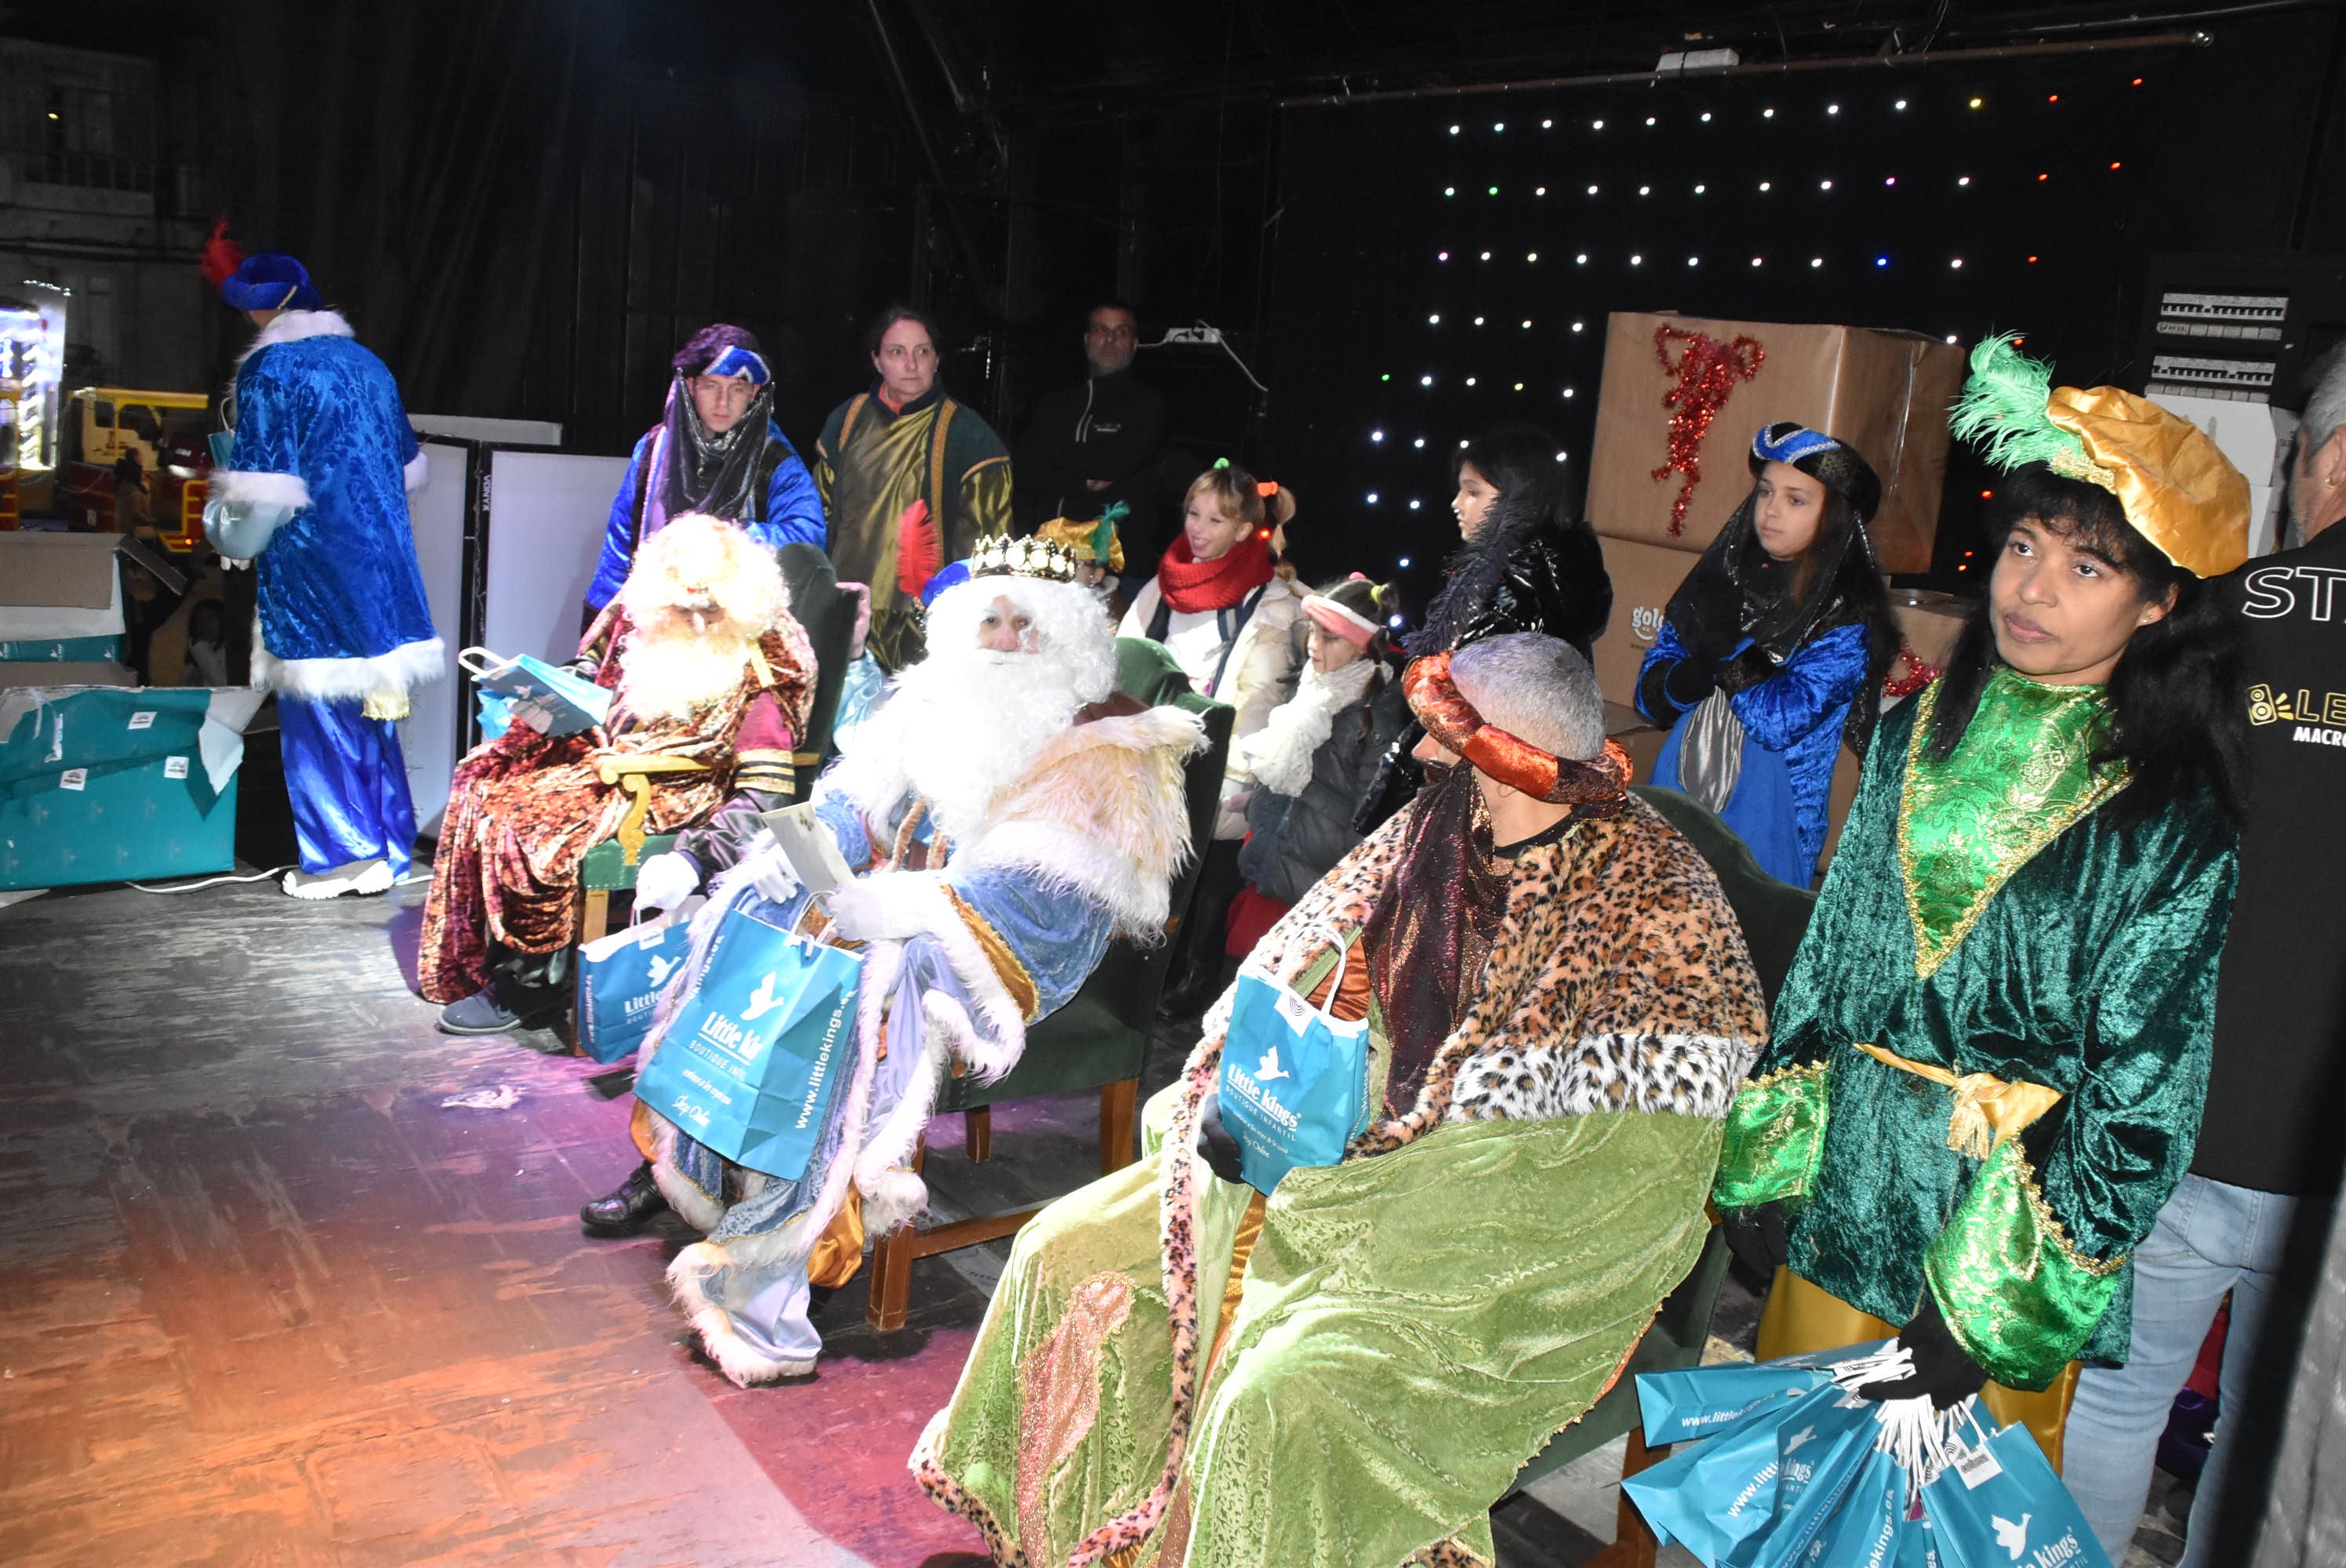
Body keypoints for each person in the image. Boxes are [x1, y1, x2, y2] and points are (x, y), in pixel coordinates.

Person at [913, 632, 1767, 1567]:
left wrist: (1349, 1185)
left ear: (1513, 752)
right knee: (1057, 1251)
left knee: (1280, 1395)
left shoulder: (1658, 903)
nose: (1426, 752)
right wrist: (1232, 1094)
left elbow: (1621, 1171)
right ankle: (1057, 1537)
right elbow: (1288, 971)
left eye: (1451, 735)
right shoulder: (1438, 820)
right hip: (1318, 1164)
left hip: (1488, 1245)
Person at [1710, 336, 2248, 1471]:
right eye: (2021, 547)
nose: (2030, 589)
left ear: (2159, 606)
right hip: (1849, 1187)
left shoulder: (2169, 813)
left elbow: (2145, 1093)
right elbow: (1834, 965)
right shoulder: (1916, 732)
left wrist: (1998, 1309)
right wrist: (1771, 1163)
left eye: (2087, 568)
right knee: (1790, 1489)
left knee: (1937, 1514)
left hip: (1996, 1229)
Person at [583, 535, 1206, 1384]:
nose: (1002, 639)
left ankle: (775, 1263)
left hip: (997, 950)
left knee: (872, 976)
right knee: (762, 905)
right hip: (900, 908)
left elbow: (1048, 902)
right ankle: (701, 1149)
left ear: (1064, 639)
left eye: (1026, 623)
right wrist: (774, 855)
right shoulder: (933, 702)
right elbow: (851, 805)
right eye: (987, 618)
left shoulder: (1105, 743)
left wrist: (913, 908)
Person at [2059, 347, 2346, 1563]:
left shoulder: (2218, 619)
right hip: (2325, 1164)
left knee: (2118, 1398)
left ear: (2329, 461)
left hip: (2183, 1111)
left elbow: (2099, 857)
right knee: (2276, 1440)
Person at [420, 515, 815, 1034]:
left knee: (542, 828)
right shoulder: (646, 627)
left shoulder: (765, 668)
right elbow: (595, 670)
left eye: (711, 610)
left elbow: (765, 796)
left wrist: (696, 859)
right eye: (683, 609)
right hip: (610, 756)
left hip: (679, 785)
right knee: (483, 778)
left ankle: (538, 981)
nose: (696, 625)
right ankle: (486, 953)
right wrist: (552, 694)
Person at [199, 233, 440, 899]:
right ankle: (387, 846)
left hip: (315, 563)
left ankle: (340, 854)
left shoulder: (272, 371)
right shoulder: (369, 366)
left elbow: (263, 488)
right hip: (384, 565)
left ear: (260, 308)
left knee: (318, 703)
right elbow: (404, 466)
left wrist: (223, 527)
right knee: (373, 705)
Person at [1635, 423, 1901, 887]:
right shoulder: (1722, 583)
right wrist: (1693, 671)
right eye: (1765, 493)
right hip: (1682, 788)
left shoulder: (1844, 616)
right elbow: (1648, 697)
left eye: (1796, 500)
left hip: (1771, 816)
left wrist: (1728, 648)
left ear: (1832, 515)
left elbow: (1781, 719)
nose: (1771, 511)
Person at [1354, 423, 1613, 834]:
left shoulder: (1518, 590)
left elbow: (1471, 719)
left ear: (1517, 498)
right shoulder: (1517, 580)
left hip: (1477, 800)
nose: (1457, 503)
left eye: (1473, 491)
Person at [1118, 461, 1305, 1016]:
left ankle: (1196, 980)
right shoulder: (1163, 583)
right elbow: (1128, 658)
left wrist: (1232, 771)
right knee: (1151, 869)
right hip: (1150, 750)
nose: (1197, 529)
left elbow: (1262, 696)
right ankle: (1145, 970)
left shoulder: (1271, 602)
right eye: (1193, 514)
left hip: (1216, 759)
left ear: (1246, 530)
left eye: (1215, 520)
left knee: (1210, 877)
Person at [813, 305, 1013, 671]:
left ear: (937, 359)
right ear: (876, 360)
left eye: (922, 351)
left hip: (924, 628)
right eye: (896, 352)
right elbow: (818, 513)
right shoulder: (847, 420)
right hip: (845, 612)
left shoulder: (970, 436)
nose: (911, 365)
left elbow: (987, 544)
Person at [583, 324, 825, 616]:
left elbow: (807, 536)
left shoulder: (774, 459)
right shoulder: (654, 448)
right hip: (661, 618)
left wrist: (723, 534)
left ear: (754, 392)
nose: (723, 402)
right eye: (711, 386)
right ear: (691, 386)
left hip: (738, 624)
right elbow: (623, 541)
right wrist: (602, 617)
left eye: (737, 389)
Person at [1227, 575, 1400, 953]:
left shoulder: (1375, 719)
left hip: (1316, 893)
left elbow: (1370, 822)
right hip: (1273, 868)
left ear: (1361, 647)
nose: (1312, 645)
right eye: (1313, 632)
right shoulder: (1308, 689)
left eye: (1330, 637)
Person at [1013, 299, 1167, 551]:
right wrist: (1081, 482)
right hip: (1045, 556)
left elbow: (1116, 464)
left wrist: (1056, 455)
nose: (1110, 340)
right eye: (1101, 330)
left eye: (1121, 332)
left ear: (1134, 344)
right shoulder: (1056, 402)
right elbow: (1025, 468)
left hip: (1115, 560)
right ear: (1087, 340)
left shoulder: (1148, 405)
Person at [185, 599, 229, 687]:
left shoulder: (230, 653)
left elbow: (222, 686)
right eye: (200, 621)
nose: (204, 625)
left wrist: (201, 649)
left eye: (210, 620)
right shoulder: (194, 659)